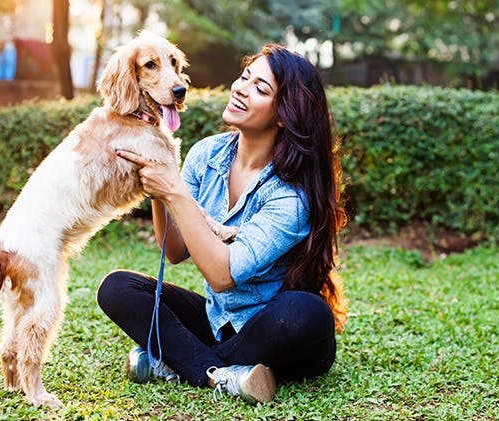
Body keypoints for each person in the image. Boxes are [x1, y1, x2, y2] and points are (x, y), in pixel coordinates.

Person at [97, 44, 347, 404]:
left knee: (307, 312)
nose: (241, 88)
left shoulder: (292, 195)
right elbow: (175, 250)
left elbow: (222, 275)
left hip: (275, 330)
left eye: (261, 89)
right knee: (118, 288)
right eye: (245, 77)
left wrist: (175, 191)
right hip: (219, 323)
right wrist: (156, 184)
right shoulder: (206, 154)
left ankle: (181, 365)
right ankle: (224, 374)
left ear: (284, 115)